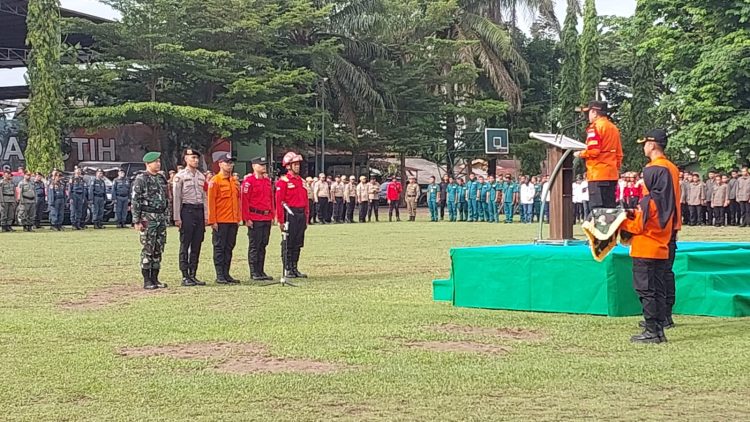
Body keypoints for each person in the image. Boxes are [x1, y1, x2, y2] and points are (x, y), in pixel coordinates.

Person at [621, 131, 679, 343]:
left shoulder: (649, 202)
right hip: (662, 246)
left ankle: (652, 330)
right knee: (658, 286)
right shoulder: (666, 201)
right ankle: (660, 326)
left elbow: (637, 225)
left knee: (646, 290)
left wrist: (622, 220)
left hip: (645, 249)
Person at [576, 101, 623, 210]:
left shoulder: (595, 128)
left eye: (588, 113)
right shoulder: (614, 128)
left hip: (597, 174)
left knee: (597, 211)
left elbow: (594, 151)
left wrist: (580, 154)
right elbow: (619, 154)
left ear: (594, 112)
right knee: (610, 210)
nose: (587, 116)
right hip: (612, 175)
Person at [132, 152, 169, 290]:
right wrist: (137, 220)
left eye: (159, 161)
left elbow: (166, 199)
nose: (158, 164)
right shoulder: (141, 179)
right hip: (148, 217)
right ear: (147, 164)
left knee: (158, 248)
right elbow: (136, 200)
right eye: (155, 162)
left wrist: (167, 217)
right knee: (148, 248)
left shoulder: (161, 178)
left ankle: (155, 278)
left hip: (160, 217)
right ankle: (147, 280)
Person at [173, 149, 209, 286]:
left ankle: (193, 273)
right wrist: (177, 217)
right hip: (186, 210)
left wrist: (206, 215)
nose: (196, 160)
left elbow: (205, 197)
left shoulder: (201, 176)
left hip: (199, 211)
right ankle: (185, 275)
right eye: (193, 157)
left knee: (197, 243)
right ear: (186, 159)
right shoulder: (180, 176)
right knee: (185, 243)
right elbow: (177, 198)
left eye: (197, 158)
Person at [208, 152, 241, 284]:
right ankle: (220, 275)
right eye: (227, 162)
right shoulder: (215, 181)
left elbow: (237, 201)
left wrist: (238, 218)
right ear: (220, 164)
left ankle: (226, 273)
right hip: (220, 220)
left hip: (232, 220)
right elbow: (211, 202)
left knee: (229, 247)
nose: (230, 165)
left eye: (231, 163)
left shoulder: (234, 181)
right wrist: (212, 220)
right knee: (219, 248)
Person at [276, 151, 309, 278]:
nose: (297, 167)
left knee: (297, 243)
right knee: (288, 242)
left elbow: (305, 200)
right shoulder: (283, 181)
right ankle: (288, 268)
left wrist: (306, 216)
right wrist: (281, 220)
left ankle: (295, 267)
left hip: (300, 214)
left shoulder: (301, 181)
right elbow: (279, 202)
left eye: (298, 164)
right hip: (290, 214)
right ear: (288, 166)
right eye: (294, 164)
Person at [241, 156, 274, 281]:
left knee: (263, 244)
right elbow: (244, 201)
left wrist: (272, 214)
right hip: (255, 216)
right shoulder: (249, 182)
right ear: (254, 166)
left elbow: (270, 199)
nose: (263, 167)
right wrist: (246, 218)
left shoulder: (266, 181)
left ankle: (261, 270)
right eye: (260, 165)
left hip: (266, 216)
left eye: (264, 165)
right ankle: (254, 271)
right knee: (255, 245)